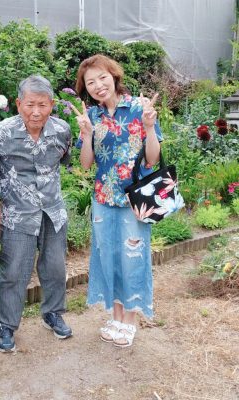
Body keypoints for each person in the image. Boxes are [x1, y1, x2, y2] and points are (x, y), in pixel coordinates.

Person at [72, 54, 162, 348]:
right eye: (91, 82)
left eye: (102, 77)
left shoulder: (139, 107)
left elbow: (152, 159)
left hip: (135, 199)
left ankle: (130, 320)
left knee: (132, 257)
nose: (98, 85)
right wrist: (86, 135)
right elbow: (86, 164)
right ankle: (115, 315)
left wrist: (150, 127)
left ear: (114, 76)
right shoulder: (92, 116)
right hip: (103, 197)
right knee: (107, 256)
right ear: (85, 88)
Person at [0, 75, 73, 352]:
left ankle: (53, 314)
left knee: (55, 268)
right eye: (30, 104)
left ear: (52, 105)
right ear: (18, 103)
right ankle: (7, 325)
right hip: (16, 215)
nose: (36, 112)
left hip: (52, 212)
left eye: (42, 105)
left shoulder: (62, 130)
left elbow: (64, 161)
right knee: (13, 272)